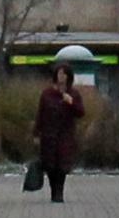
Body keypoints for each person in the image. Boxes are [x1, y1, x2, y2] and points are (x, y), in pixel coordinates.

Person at [32, 61, 87, 204]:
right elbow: (41, 114)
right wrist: (36, 133)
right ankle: (53, 190)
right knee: (50, 165)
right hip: (49, 134)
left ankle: (59, 192)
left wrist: (71, 103)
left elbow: (81, 112)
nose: (61, 77)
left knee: (62, 164)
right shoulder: (47, 94)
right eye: (59, 74)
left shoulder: (73, 94)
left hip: (65, 134)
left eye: (64, 74)